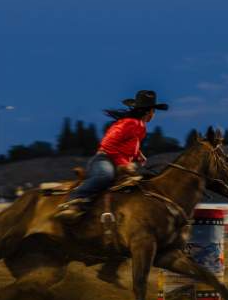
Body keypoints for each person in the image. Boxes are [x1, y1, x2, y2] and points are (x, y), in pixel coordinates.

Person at [54, 90, 169, 222]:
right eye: (153, 111)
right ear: (148, 112)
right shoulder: (128, 123)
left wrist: (138, 155)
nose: (153, 114)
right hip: (104, 159)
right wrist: (123, 164)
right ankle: (73, 200)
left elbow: (129, 144)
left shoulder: (140, 127)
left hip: (117, 162)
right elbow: (107, 144)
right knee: (105, 176)